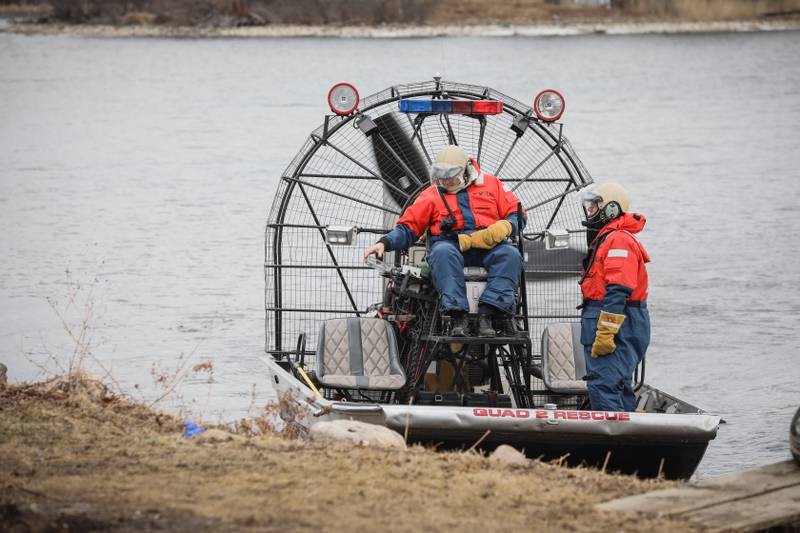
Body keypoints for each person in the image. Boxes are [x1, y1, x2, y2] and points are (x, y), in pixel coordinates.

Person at [363, 145, 524, 337]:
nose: (446, 181)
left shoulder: (492, 185)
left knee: (510, 254)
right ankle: (458, 316)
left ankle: (488, 315)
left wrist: (506, 226)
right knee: (442, 253)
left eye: (451, 176)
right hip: (451, 246)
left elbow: (517, 214)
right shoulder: (431, 195)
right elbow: (409, 227)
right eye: (441, 176)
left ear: (465, 171)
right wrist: (385, 243)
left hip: (490, 245)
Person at [579, 182, 650, 412]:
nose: (590, 211)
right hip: (615, 318)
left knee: (604, 385)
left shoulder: (617, 240)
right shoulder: (609, 238)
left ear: (610, 209)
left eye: (593, 206)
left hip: (616, 320)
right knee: (618, 385)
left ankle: (610, 445)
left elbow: (618, 289)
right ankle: (628, 442)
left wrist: (606, 331)